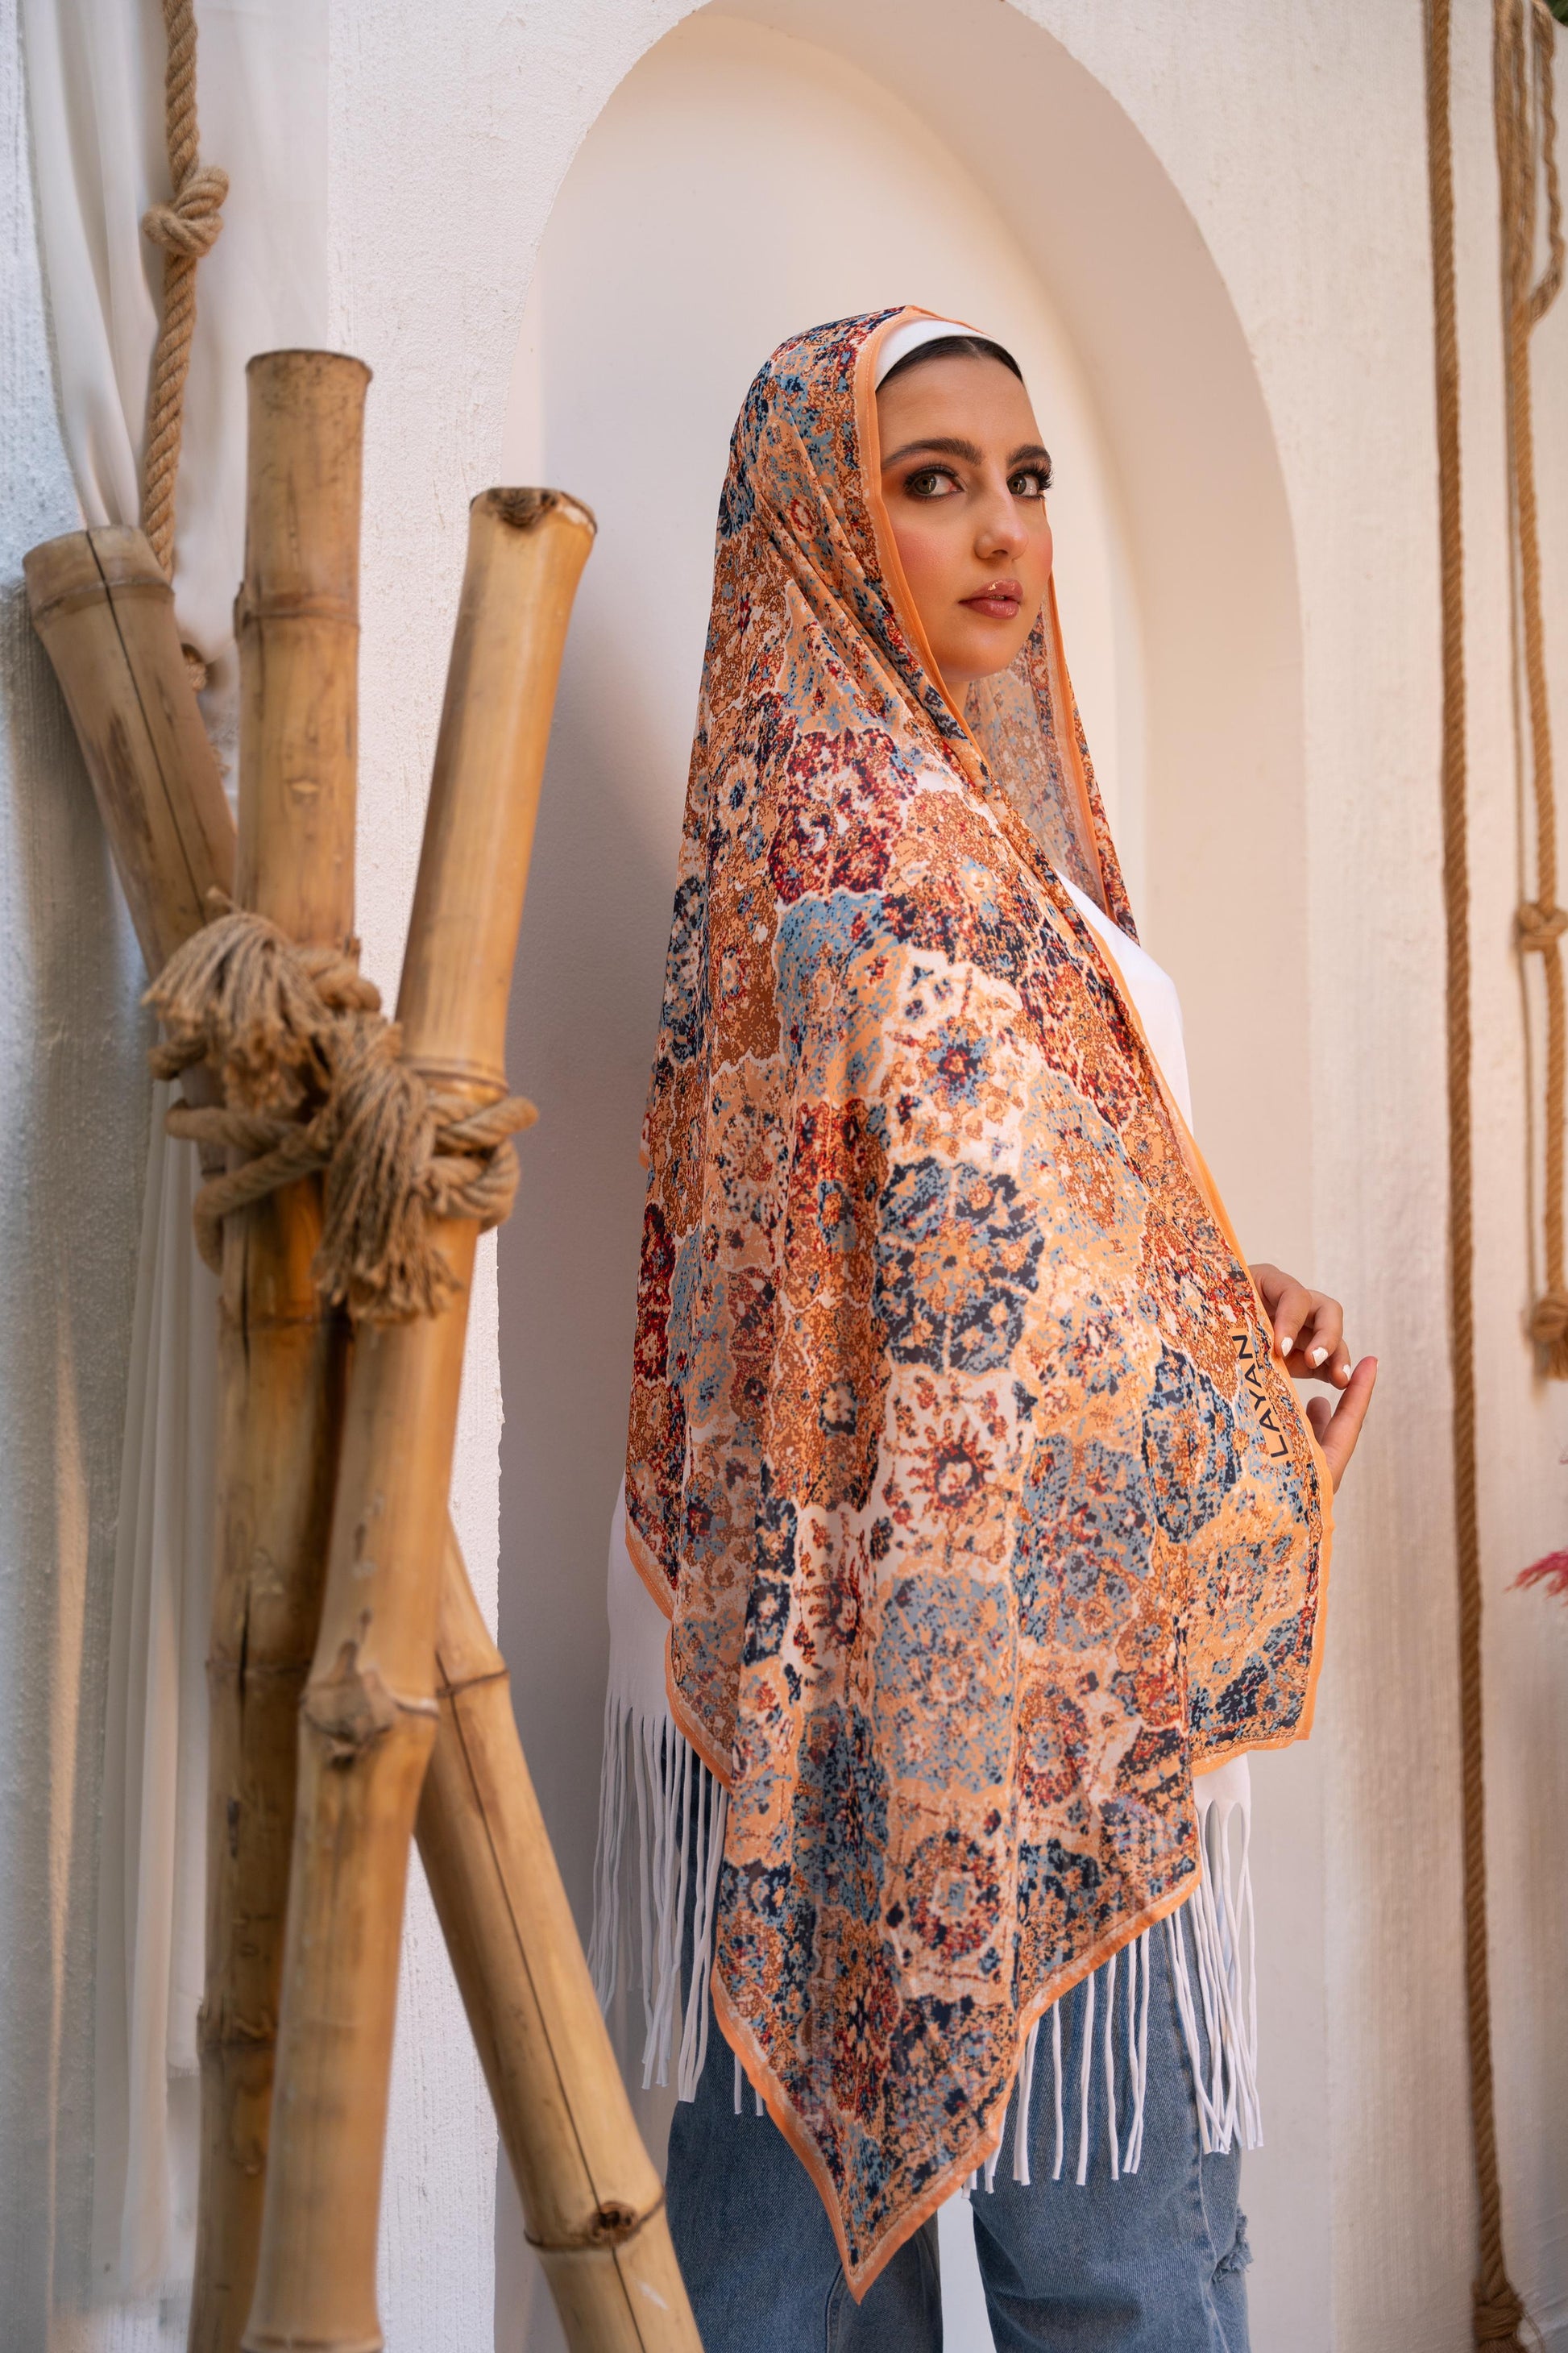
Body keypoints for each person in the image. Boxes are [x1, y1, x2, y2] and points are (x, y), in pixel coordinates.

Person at [594, 310, 1375, 2351]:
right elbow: (955, 1293)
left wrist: (1219, 1305)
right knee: (1111, 2285)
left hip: (840, 1677)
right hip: (992, 1681)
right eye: (929, 480)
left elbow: (1015, 1243)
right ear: (815, 514)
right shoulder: (869, 855)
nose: (1004, 528)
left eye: (1021, 477)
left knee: (791, 2282)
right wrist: (1223, 1436)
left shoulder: (948, 832)